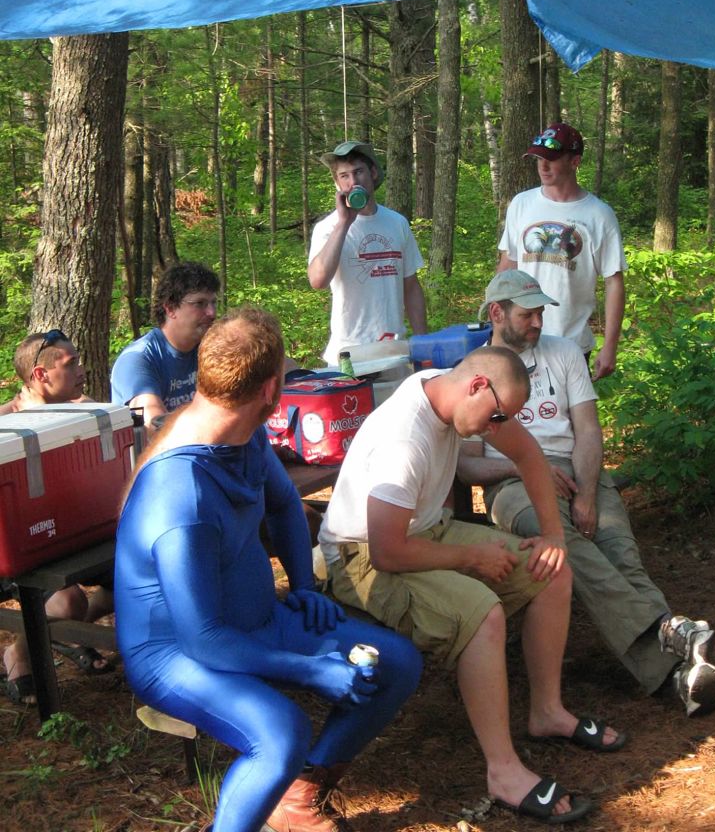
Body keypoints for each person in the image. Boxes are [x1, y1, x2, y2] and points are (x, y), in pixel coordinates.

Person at [114, 306, 422, 832]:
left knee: (395, 663)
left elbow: (282, 505)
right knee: (278, 732)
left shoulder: (244, 432)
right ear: (271, 389)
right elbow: (204, 639)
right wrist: (310, 669)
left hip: (256, 618)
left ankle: (300, 797)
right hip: (174, 652)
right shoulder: (180, 494)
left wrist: (303, 586)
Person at [319, 345, 625, 825]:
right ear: (477, 386)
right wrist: (472, 557)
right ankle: (503, 771)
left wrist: (551, 536)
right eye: (495, 416)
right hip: (362, 560)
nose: (493, 428)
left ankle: (546, 711)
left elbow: (527, 454)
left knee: (551, 571)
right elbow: (387, 552)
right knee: (481, 611)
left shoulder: (459, 386)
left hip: (425, 531)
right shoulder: (405, 441)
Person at [458, 269, 715, 716]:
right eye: (528, 314)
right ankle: (671, 632)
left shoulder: (563, 353)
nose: (538, 322)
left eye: (541, 312)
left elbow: (588, 430)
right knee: (572, 551)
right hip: (512, 482)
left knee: (620, 552)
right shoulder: (473, 373)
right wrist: (526, 465)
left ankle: (677, 678)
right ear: (497, 313)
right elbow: (465, 465)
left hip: (579, 470)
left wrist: (586, 494)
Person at [1, 331, 114, 706]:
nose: (82, 370)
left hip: (84, 532)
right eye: (72, 364)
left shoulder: (88, 412)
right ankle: (20, 652)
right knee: (67, 603)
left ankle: (73, 633)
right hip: (27, 544)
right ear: (40, 374)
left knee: (137, 573)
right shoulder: (6, 423)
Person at [496, 122, 626, 379]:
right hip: (519, 337)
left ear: (575, 161)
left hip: (571, 342)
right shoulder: (522, 204)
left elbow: (614, 282)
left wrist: (610, 345)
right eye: (538, 159)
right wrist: (496, 326)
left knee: (569, 418)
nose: (543, 166)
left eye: (552, 159)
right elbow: (508, 267)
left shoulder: (598, 215)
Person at [308, 140, 427, 365]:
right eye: (344, 176)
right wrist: (344, 223)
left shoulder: (397, 223)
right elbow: (317, 280)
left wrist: (423, 343)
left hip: (394, 349)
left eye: (358, 172)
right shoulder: (328, 228)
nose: (353, 182)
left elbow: (411, 287)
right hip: (348, 354)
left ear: (373, 173)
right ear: (337, 183)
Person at [111, 260, 220, 429]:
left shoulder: (211, 350)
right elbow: (155, 427)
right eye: (200, 303)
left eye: (214, 303)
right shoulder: (138, 359)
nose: (212, 313)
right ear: (170, 308)